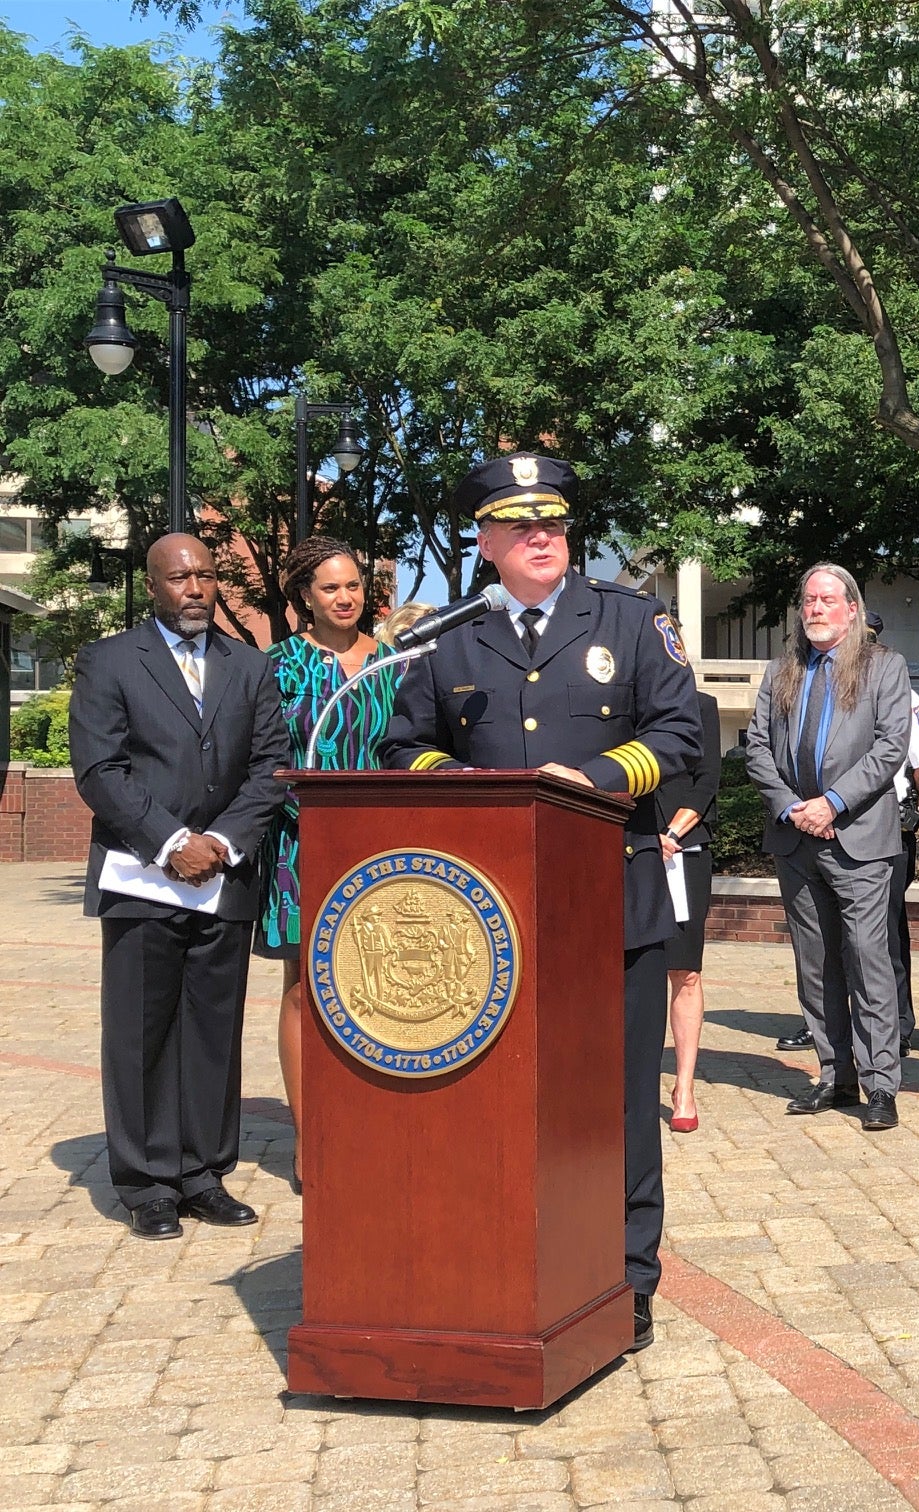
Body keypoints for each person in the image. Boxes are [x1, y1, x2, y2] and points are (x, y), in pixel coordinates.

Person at [382, 453, 703, 1353]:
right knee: (498, 1099)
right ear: (483, 541)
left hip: (614, 896)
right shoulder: (448, 638)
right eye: (519, 525)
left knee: (621, 1102)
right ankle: (498, 1262)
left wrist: (593, 779)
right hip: (491, 918)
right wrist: (480, 799)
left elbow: (679, 730)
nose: (540, 538)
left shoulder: (634, 622)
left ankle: (626, 1277)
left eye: (553, 523)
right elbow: (403, 747)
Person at [69, 534, 289, 1239]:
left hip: (221, 878)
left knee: (212, 1032)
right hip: (143, 875)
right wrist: (170, 841)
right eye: (179, 577)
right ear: (154, 585)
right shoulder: (109, 661)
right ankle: (148, 1183)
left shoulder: (249, 666)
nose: (195, 588)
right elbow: (99, 769)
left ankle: (202, 1173)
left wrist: (221, 842)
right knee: (140, 1032)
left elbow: (270, 766)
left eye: (205, 575)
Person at [255, 537, 401, 1194]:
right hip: (301, 844)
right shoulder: (278, 665)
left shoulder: (395, 663)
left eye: (352, 587)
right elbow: (264, 756)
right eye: (329, 588)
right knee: (304, 989)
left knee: (378, 987)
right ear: (304, 598)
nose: (344, 599)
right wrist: (311, 815)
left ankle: (376, 1124)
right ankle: (309, 1137)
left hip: (384, 847)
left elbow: (409, 750)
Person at [745, 563, 912, 1129]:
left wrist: (832, 802)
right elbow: (757, 748)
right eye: (808, 599)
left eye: (826, 600)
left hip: (857, 837)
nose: (815, 608)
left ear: (851, 608)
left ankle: (880, 1084)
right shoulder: (782, 670)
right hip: (795, 838)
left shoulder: (884, 667)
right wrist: (793, 806)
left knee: (868, 962)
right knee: (814, 966)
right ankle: (834, 1074)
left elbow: (890, 749)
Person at [867, 611, 919, 1058]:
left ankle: (898, 1022)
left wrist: (914, 811)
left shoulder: (908, 699)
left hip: (889, 824)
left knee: (887, 927)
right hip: (836, 824)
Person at [663, 688, 722, 1133]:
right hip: (626, 845)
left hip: (684, 847)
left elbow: (707, 779)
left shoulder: (700, 707)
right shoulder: (615, 699)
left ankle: (684, 1087)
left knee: (685, 970)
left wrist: (672, 832)